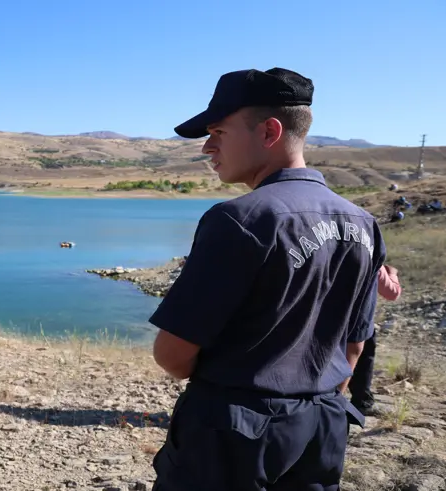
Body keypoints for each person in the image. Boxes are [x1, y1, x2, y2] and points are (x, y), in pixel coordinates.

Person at [148, 67, 386, 491]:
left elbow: (173, 354)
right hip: (323, 426)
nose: (207, 147)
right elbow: (355, 344)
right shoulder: (363, 223)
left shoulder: (241, 219)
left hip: (233, 431)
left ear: (270, 132)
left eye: (219, 132)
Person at [348, 264, 402, 415]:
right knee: (363, 359)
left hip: (325, 320)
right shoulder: (371, 253)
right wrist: (392, 274)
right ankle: (361, 402)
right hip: (359, 320)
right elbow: (392, 293)